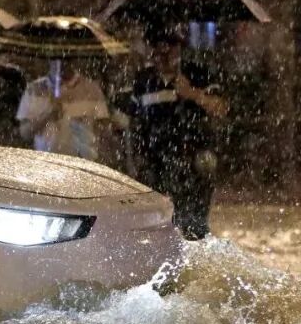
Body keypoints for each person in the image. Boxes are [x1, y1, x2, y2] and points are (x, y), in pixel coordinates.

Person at [123, 26, 229, 240]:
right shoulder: (143, 81)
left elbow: (221, 108)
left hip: (193, 162)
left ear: (178, 49)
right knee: (157, 228)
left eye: (168, 50)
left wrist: (192, 94)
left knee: (193, 226)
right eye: (157, 50)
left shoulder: (198, 74)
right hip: (155, 164)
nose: (163, 56)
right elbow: (132, 122)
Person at [16, 60, 125, 163]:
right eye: (54, 58)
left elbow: (104, 133)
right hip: (45, 165)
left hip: (81, 165)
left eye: (65, 59)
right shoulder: (34, 90)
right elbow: (25, 133)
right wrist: (48, 115)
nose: (60, 62)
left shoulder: (91, 89)